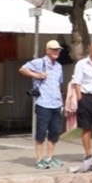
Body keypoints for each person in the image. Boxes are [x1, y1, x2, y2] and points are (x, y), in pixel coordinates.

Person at [20, 39, 67, 169]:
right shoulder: (39, 62)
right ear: (47, 50)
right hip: (43, 103)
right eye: (53, 49)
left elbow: (59, 83)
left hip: (56, 103)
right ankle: (39, 159)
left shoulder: (58, 66)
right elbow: (22, 69)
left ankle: (50, 157)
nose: (56, 52)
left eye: (58, 50)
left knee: (55, 132)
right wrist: (37, 75)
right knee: (41, 132)